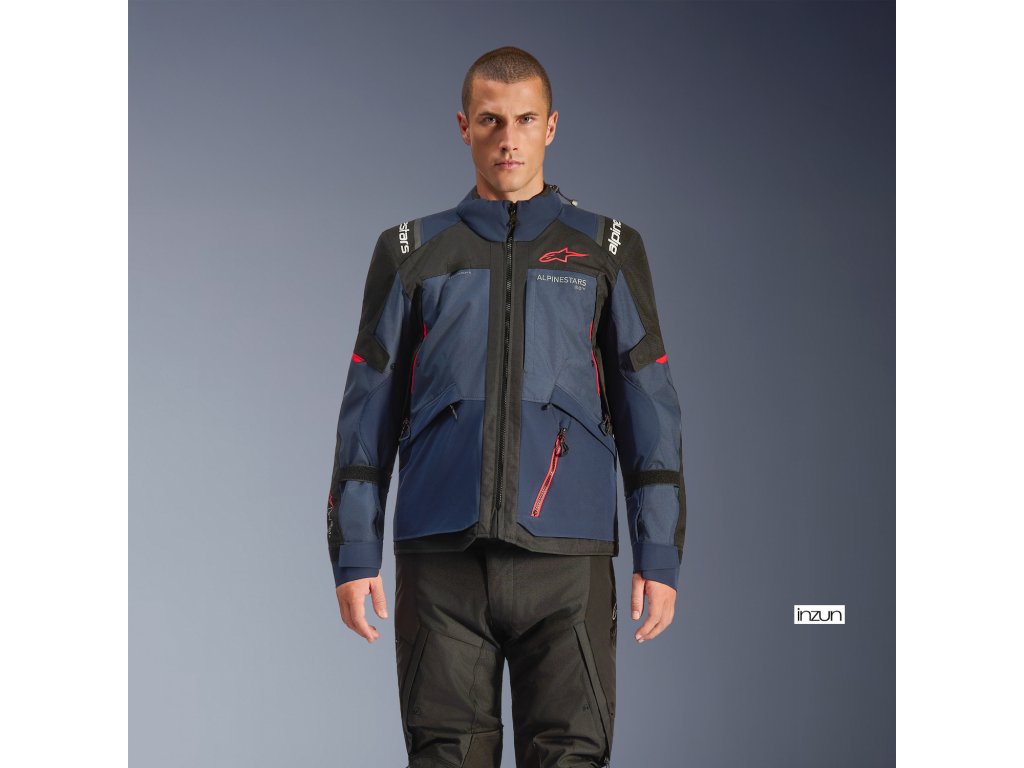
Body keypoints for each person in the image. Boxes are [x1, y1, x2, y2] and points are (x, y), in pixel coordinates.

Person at [326, 46, 689, 768]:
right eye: (491, 120)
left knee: (572, 756)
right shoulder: (409, 251)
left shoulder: (607, 250)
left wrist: (660, 551)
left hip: (568, 560)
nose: (508, 139)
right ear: (464, 126)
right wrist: (354, 551)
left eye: (525, 120)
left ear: (551, 126)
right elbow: (368, 406)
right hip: (442, 560)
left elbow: (648, 404)